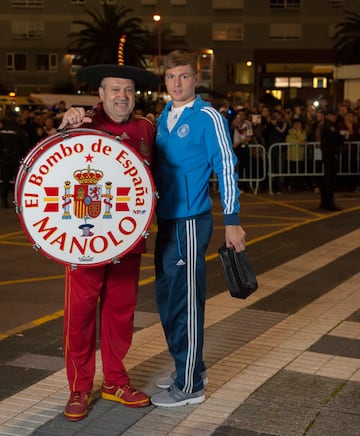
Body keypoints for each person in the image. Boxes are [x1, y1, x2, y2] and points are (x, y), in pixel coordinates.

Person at [57, 63, 159, 421]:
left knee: (120, 314)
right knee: (80, 316)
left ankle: (115, 381)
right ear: (100, 94)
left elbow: (157, 178)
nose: (122, 96)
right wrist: (63, 124)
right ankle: (80, 387)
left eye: (128, 90)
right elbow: (50, 165)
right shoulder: (83, 123)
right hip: (83, 242)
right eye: (115, 89)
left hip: (127, 239)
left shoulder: (146, 127)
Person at [151, 50, 246, 408]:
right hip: (167, 221)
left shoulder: (207, 116)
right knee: (168, 298)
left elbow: (225, 167)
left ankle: (189, 385)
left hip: (192, 221)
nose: (178, 83)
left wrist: (232, 221)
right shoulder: (163, 117)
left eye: (185, 76)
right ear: (165, 80)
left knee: (186, 302)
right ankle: (189, 367)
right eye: (172, 77)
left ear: (196, 79)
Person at [0, 111, 30, 207]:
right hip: (16, 158)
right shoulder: (20, 130)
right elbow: (26, 144)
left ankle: (3, 200)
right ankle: (17, 200)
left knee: (5, 179)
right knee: (18, 180)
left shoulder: (2, 130)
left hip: (5, 158)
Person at [319, 109, 344, 211]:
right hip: (330, 155)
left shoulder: (330, 125)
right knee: (329, 180)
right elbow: (336, 138)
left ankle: (326, 202)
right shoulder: (329, 126)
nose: (334, 117)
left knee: (329, 179)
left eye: (335, 115)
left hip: (330, 154)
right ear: (328, 115)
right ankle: (328, 203)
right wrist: (341, 137)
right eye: (332, 115)